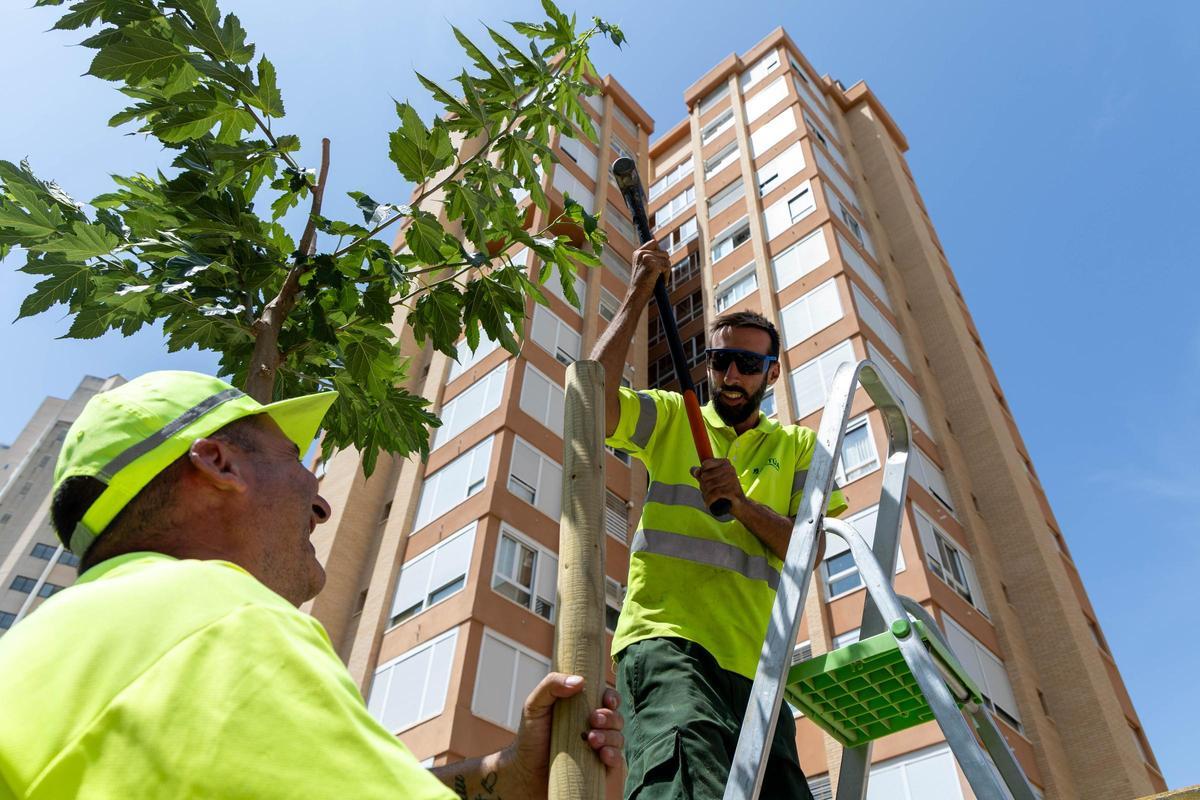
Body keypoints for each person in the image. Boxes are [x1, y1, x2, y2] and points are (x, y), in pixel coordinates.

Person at [0, 371, 623, 799]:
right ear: (218, 463)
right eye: (296, 459)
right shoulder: (216, 621)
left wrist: (511, 773)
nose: (321, 506)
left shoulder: (44, 650)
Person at [591, 240, 847, 800]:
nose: (731, 374)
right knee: (686, 785)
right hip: (668, 641)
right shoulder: (669, 416)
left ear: (771, 373)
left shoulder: (802, 446)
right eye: (720, 360)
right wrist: (638, 292)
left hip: (760, 666)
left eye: (748, 365)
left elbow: (814, 548)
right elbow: (592, 397)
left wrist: (745, 505)